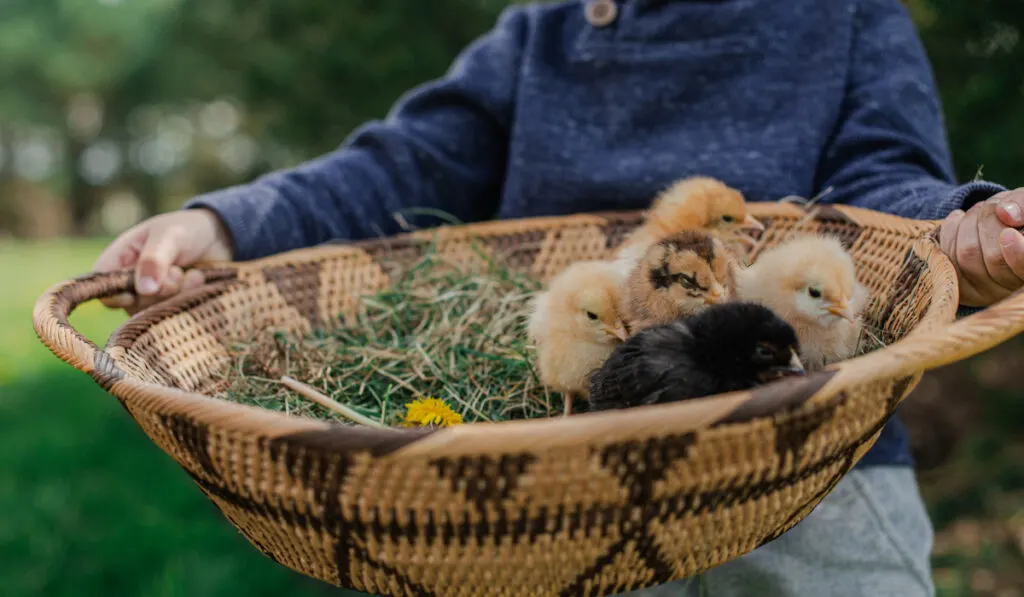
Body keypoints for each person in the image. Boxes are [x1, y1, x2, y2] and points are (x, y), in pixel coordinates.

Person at [94, 0, 1024, 595]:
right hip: (558, 497)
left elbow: (884, 186)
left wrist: (958, 232)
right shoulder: (542, 33)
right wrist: (220, 226)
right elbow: (400, 163)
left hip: (818, 474)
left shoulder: (846, 15)